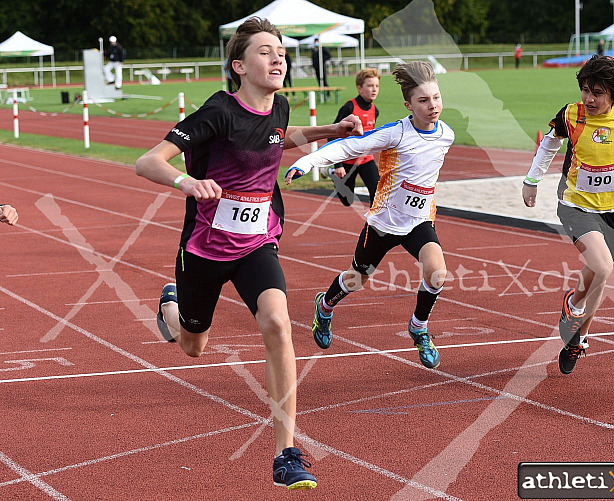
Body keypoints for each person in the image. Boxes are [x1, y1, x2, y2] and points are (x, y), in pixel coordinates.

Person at [134, 16, 363, 490]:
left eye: (280, 50)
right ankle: (171, 307)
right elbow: (147, 161)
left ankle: (286, 452)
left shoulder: (277, 108)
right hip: (204, 249)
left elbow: (281, 135)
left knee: (278, 322)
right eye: (265, 51)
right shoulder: (216, 112)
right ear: (239, 65)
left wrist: (330, 130)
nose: (278, 56)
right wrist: (189, 181)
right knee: (192, 346)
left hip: (258, 241)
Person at [285, 61, 455, 370]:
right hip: (383, 224)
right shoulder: (396, 134)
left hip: (418, 222)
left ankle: (419, 327)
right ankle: (325, 306)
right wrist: (309, 162)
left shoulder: (447, 135)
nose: (433, 106)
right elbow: (350, 146)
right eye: (423, 100)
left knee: (437, 273)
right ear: (408, 105)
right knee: (356, 279)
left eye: (436, 97)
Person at [521, 55, 614, 375]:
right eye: (585, 90)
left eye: (597, 92)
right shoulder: (572, 114)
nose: (589, 98)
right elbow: (549, 145)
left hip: (612, 209)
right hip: (574, 205)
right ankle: (574, 306)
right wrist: (531, 181)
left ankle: (577, 338)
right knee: (602, 266)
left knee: (600, 277)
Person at [327, 67, 381, 207]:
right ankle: (335, 177)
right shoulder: (349, 108)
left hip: (366, 159)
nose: (374, 89)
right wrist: (337, 165)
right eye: (370, 86)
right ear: (359, 88)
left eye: (376, 86)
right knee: (347, 201)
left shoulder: (375, 110)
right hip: (347, 160)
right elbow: (332, 134)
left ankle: (373, 224)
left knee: (377, 192)